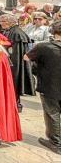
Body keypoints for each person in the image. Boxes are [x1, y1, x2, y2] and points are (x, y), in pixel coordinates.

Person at [25, 21, 61, 154]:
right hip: (51, 84)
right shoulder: (45, 46)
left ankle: (55, 142)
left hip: (49, 84)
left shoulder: (44, 46)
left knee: (52, 113)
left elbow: (26, 58)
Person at [0, 13, 35, 112]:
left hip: (15, 64)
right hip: (10, 62)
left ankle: (15, 105)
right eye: (1, 21)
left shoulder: (17, 33)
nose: (1, 23)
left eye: (4, 21)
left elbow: (16, 53)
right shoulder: (9, 30)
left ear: (11, 22)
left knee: (15, 85)